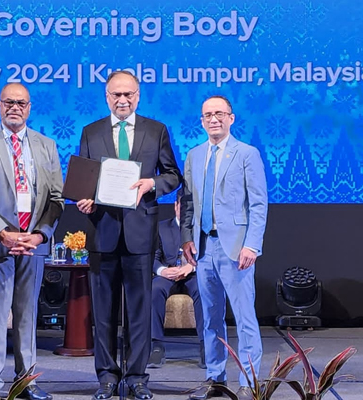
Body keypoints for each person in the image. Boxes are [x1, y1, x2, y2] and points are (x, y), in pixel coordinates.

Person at [77, 70, 181, 400]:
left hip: (140, 233)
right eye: (116, 95)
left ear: (138, 96)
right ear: (107, 97)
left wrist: (152, 184)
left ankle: (137, 377)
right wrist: (83, 199)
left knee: (139, 312)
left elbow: (173, 175)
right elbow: (83, 180)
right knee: (103, 313)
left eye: (128, 94)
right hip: (102, 231)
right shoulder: (91, 132)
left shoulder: (156, 130)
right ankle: (107, 377)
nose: (122, 100)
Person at [0, 83, 63, 400]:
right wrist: (3, 233)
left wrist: (39, 235)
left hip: (34, 244)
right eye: (9, 102)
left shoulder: (47, 145)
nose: (14, 107)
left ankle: (26, 382)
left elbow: (57, 199)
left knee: (27, 315)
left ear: (29, 107)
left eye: (21, 103)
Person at [180, 95, 268, 400]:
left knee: (244, 318)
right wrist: (186, 238)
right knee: (210, 318)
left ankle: (249, 382)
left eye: (219, 113)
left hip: (236, 248)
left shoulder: (247, 154)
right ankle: (215, 377)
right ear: (201, 121)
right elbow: (188, 201)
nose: (213, 119)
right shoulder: (194, 155)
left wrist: (252, 245)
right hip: (204, 247)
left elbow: (258, 203)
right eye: (208, 115)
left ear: (231, 118)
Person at [148, 189, 205, 370]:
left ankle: (206, 346)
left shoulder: (201, 229)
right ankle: (156, 346)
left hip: (193, 274)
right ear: (176, 206)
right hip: (168, 274)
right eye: (183, 207)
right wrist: (163, 270)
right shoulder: (161, 227)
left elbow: (208, 256)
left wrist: (192, 267)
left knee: (204, 290)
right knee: (154, 289)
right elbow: (153, 257)